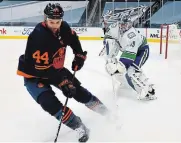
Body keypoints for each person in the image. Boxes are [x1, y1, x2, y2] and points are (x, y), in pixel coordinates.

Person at [17, 3, 110, 142]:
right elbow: (43, 69)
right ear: (45, 19)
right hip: (34, 76)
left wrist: (79, 55)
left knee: (79, 92)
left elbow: (73, 38)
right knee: (50, 104)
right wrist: (64, 82)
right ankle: (78, 126)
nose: (55, 25)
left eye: (57, 22)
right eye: (51, 22)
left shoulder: (64, 28)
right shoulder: (38, 37)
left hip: (55, 69)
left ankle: (107, 113)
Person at [100, 15, 156, 100]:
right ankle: (126, 85)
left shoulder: (132, 36)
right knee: (123, 71)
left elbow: (127, 60)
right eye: (122, 24)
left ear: (130, 24)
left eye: (126, 24)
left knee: (131, 71)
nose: (124, 26)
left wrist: (117, 68)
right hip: (129, 50)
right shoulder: (115, 27)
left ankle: (148, 91)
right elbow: (108, 37)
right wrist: (110, 56)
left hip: (141, 51)